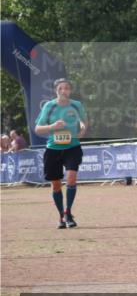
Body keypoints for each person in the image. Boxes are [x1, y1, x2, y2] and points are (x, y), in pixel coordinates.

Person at [34, 78, 87, 229]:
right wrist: (52, 126)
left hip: (73, 147)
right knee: (56, 185)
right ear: (56, 90)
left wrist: (82, 129)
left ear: (70, 90)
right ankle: (61, 217)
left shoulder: (77, 105)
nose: (64, 91)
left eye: (67, 88)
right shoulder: (49, 106)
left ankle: (68, 212)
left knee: (71, 179)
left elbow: (84, 121)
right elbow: (38, 129)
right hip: (53, 149)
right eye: (61, 88)